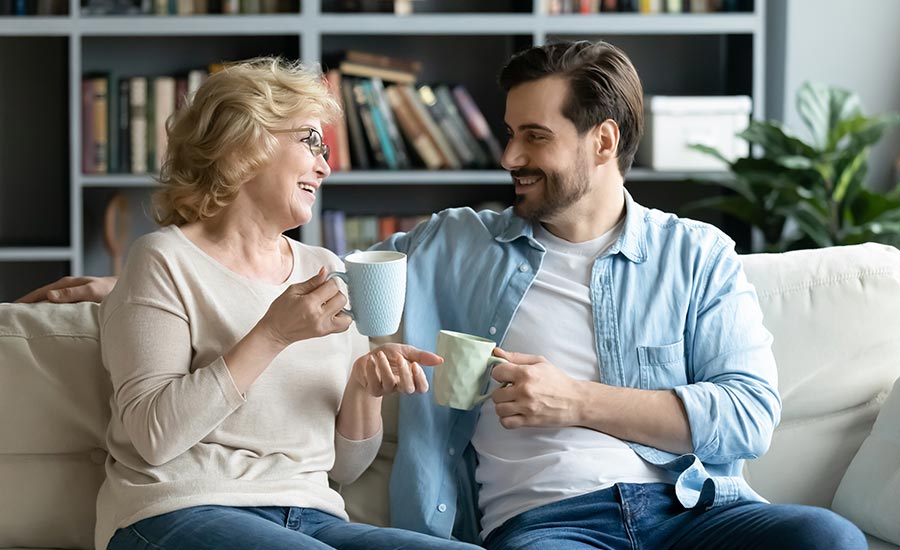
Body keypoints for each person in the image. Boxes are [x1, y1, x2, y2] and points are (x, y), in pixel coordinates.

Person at [22, 43, 867, 549]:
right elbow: (278, 271)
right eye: (509, 133)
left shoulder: (697, 255)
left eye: (533, 136)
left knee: (829, 538)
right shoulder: (460, 244)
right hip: (549, 523)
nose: (510, 155)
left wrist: (577, 400)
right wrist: (133, 283)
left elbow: (750, 415)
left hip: (691, 507)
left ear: (603, 140)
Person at [24, 57, 480, 550]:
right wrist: (272, 335)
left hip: (313, 515)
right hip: (177, 510)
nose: (325, 166)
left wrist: (364, 389)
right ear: (246, 140)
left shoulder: (323, 268)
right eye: (310, 141)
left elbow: (345, 468)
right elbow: (154, 438)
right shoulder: (163, 259)